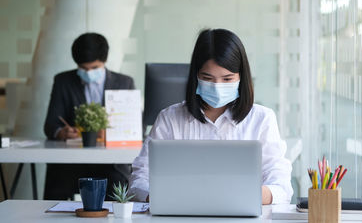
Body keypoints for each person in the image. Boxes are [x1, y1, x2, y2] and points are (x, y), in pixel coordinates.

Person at [130, 28, 293, 204]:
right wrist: (159, 196)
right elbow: (139, 178)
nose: (217, 86)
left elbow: (282, 186)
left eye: (227, 79)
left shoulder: (262, 119)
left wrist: (256, 194)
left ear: (241, 77)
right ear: (195, 76)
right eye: (207, 78)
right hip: (182, 215)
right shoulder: (170, 119)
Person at [43, 32, 135, 200]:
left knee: (118, 185)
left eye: (94, 68)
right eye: (83, 69)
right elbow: (50, 125)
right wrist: (62, 132)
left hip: (111, 163)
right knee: (56, 183)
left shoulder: (124, 82)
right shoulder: (63, 81)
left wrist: (113, 134)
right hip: (72, 161)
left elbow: (138, 126)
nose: (88, 72)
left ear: (104, 61)